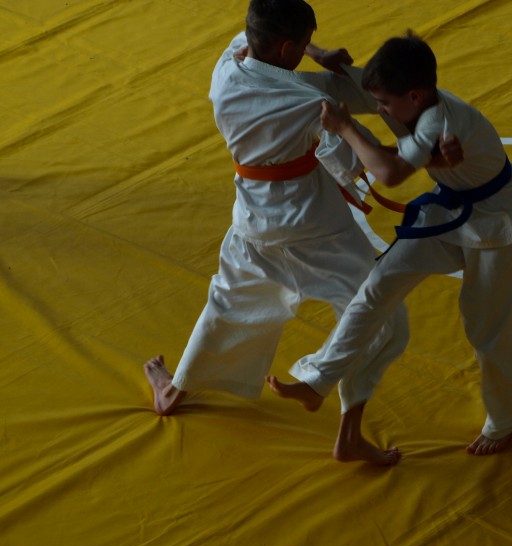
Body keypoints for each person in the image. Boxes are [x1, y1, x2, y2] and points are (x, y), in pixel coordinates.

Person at [145, 2, 460, 465]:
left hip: (253, 217)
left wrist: (317, 51)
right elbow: (371, 159)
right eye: (303, 44)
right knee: (379, 316)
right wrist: (433, 156)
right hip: (314, 227)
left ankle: (173, 391)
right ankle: (345, 428)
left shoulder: (227, 67)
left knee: (229, 302)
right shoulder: (306, 101)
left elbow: (256, 39)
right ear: (286, 47)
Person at [269, 32, 512, 458]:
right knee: (377, 285)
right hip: (449, 212)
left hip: (501, 226)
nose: (378, 109)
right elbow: (354, 83)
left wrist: (344, 128)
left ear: (415, 95)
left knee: (491, 330)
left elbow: (390, 173)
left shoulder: (438, 123)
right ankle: (317, 381)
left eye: (384, 104)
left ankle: (506, 418)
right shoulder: (401, 93)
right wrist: (315, 51)